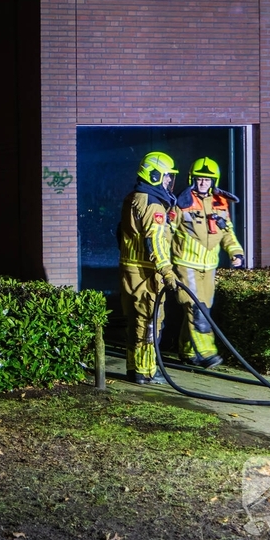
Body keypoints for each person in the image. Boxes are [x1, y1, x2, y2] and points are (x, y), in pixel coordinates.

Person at [171, 157, 245, 368]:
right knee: (196, 307)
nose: (203, 183)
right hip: (186, 263)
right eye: (199, 179)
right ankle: (206, 352)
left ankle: (186, 351)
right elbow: (167, 232)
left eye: (207, 179)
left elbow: (227, 232)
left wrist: (235, 252)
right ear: (192, 179)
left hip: (210, 266)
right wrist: (163, 262)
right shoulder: (182, 203)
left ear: (214, 181)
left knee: (202, 308)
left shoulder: (220, 203)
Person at [118, 151, 180, 384]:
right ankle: (145, 372)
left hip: (130, 269)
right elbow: (154, 240)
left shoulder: (133, 197)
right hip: (147, 272)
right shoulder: (153, 205)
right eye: (166, 177)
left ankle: (135, 368)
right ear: (154, 175)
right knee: (149, 320)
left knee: (135, 319)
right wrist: (167, 270)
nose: (168, 182)